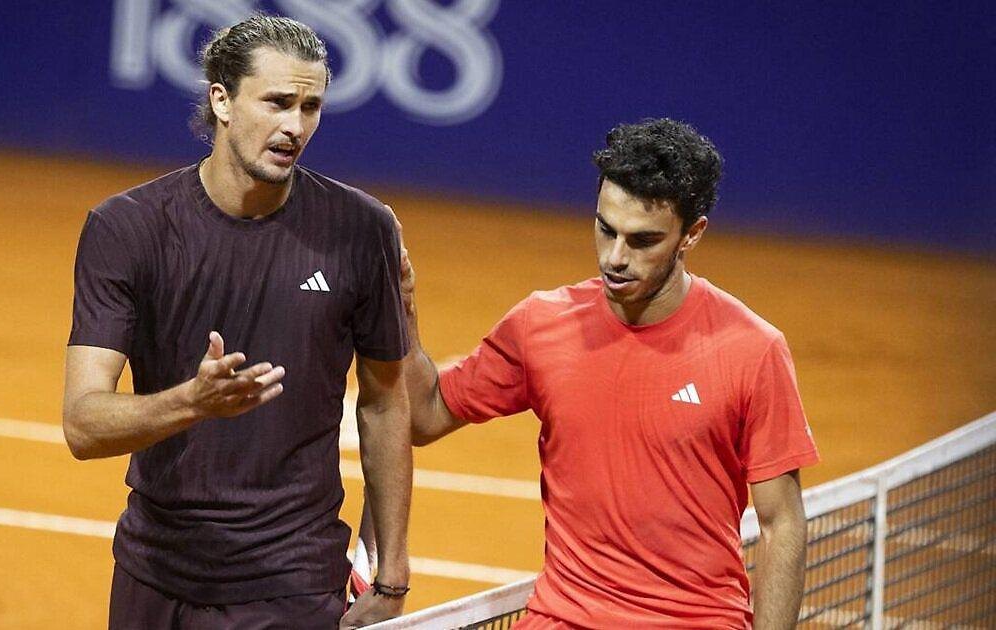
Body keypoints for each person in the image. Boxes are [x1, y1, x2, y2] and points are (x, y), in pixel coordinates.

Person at [397, 118, 819, 628]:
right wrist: (402, 312)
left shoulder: (753, 349)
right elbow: (423, 416)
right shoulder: (541, 325)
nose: (615, 258)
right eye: (605, 229)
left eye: (643, 240)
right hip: (563, 618)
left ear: (692, 234)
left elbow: (780, 522)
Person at [62, 15, 411, 629]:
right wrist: (193, 402)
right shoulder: (127, 229)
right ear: (221, 101)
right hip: (154, 570)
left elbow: (385, 402)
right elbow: (83, 425)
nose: (295, 126)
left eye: (310, 107)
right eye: (277, 102)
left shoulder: (362, 229)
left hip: (290, 581)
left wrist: (388, 571)